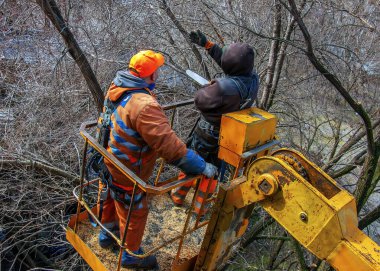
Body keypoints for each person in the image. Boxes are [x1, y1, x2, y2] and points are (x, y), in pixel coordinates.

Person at [97, 50, 217, 269]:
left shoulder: (117, 88)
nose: (159, 74)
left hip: (109, 160)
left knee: (110, 197)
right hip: (128, 168)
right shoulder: (145, 105)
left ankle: (106, 236)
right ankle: (131, 256)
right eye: (157, 71)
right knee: (135, 210)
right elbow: (170, 147)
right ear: (151, 76)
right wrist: (201, 166)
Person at [170, 30, 259, 216]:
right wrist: (209, 46)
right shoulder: (252, 79)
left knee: (192, 162)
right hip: (229, 135)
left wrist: (212, 87)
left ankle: (178, 196)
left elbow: (200, 101)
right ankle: (199, 209)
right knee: (214, 171)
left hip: (208, 133)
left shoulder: (224, 88)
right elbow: (232, 67)